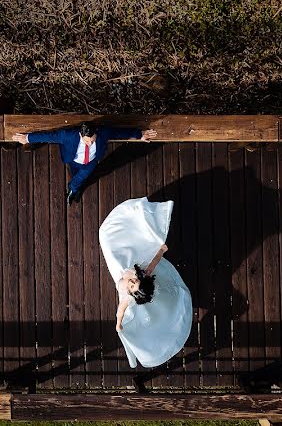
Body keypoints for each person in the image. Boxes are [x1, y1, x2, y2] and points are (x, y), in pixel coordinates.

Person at [99, 197, 192, 368]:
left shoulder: (127, 297)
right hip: (127, 259)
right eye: (136, 282)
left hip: (117, 268)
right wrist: (161, 250)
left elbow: (120, 312)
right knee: (111, 235)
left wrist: (119, 325)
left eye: (133, 286)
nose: (133, 282)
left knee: (105, 238)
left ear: (132, 293)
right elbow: (154, 262)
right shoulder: (143, 273)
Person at [12, 121, 157, 204]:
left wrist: (140, 135)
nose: (90, 142)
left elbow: (119, 132)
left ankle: (73, 190)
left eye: (93, 139)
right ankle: (75, 187)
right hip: (73, 160)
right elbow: (50, 135)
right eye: (87, 140)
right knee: (76, 174)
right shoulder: (68, 136)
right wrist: (28, 138)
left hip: (91, 163)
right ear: (81, 135)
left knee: (81, 178)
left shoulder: (102, 133)